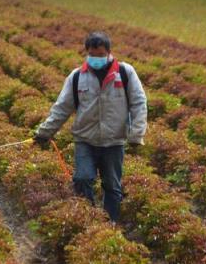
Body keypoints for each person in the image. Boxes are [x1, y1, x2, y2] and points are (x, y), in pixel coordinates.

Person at [33, 31, 147, 222]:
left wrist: (136, 134)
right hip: (85, 140)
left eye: (100, 56)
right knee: (82, 179)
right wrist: (44, 133)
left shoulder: (125, 73)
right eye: (92, 55)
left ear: (109, 53)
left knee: (112, 186)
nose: (96, 59)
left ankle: (110, 223)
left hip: (113, 141)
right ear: (87, 53)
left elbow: (139, 102)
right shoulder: (77, 77)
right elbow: (62, 107)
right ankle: (88, 219)